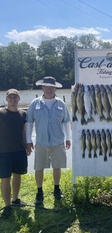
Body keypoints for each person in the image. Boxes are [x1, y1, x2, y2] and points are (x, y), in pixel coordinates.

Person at [26, 76, 71, 205]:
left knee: (57, 166)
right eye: (46, 87)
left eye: (52, 87)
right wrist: (29, 141)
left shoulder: (61, 104)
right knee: (38, 167)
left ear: (55, 88)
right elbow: (29, 123)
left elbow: (67, 122)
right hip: (41, 142)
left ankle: (57, 189)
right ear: (42, 88)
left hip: (58, 142)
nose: (49, 89)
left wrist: (68, 138)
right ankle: (39, 192)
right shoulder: (35, 103)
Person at [0, 89, 27, 218]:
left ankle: (15, 200)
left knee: (18, 175)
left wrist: (28, 145)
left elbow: (24, 132)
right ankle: (7, 206)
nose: (13, 99)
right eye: (10, 97)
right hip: (3, 151)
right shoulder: (1, 112)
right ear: (6, 99)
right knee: (5, 178)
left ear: (19, 99)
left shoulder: (23, 114)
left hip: (20, 150)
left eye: (15, 97)